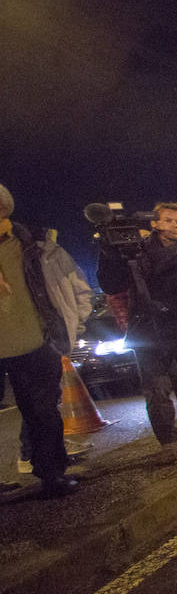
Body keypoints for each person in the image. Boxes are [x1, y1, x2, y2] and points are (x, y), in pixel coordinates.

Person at [97, 201, 177, 459]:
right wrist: (109, 252)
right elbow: (111, 285)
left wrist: (168, 306)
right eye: (168, 220)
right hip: (148, 332)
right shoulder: (136, 253)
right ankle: (167, 441)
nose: (175, 226)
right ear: (154, 223)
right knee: (156, 390)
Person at [0, 183, 78, 495]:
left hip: (36, 341)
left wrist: (74, 323)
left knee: (43, 412)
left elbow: (70, 283)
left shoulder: (35, 243)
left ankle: (51, 474)